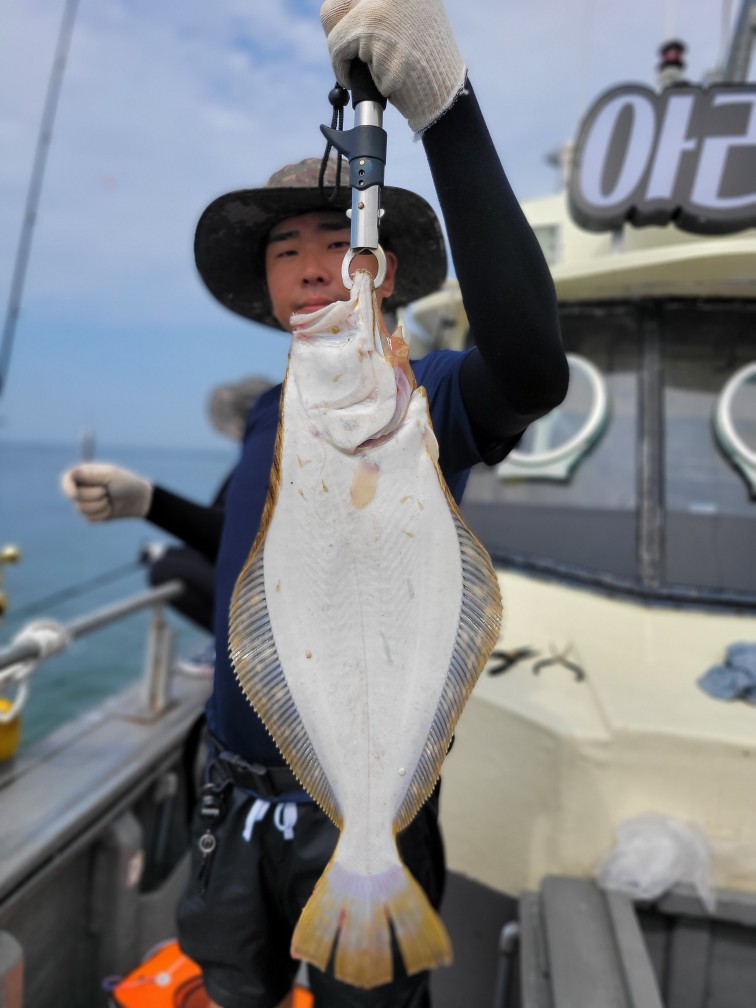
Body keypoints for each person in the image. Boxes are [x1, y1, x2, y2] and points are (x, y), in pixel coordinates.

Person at [64, 0, 569, 1004]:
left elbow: (530, 368)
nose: (306, 264)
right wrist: (151, 501)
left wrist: (446, 110)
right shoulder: (274, 411)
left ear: (379, 263)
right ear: (265, 283)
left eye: (335, 238)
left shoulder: (422, 397)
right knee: (230, 984)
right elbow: (248, 553)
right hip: (229, 795)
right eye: (284, 247)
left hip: (358, 800)